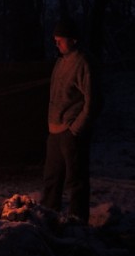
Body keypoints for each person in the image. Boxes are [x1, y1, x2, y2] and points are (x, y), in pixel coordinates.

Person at [41, 18, 98, 223]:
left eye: (60, 40)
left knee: (76, 180)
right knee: (52, 179)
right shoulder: (60, 61)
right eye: (55, 40)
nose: (56, 43)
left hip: (71, 131)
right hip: (55, 131)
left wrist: (76, 128)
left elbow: (92, 100)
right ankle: (47, 218)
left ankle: (78, 222)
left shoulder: (83, 62)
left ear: (73, 40)